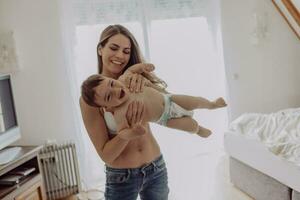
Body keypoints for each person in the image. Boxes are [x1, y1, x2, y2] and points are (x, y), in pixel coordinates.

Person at [79, 24, 170, 200]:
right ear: (100, 49)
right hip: (122, 177)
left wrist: (147, 85)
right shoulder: (91, 98)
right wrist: (125, 132)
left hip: (156, 168)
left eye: (126, 51)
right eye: (114, 48)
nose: (120, 56)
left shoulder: (135, 81)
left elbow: (170, 104)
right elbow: (106, 155)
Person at [81, 73, 227, 138]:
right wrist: (134, 132)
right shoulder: (119, 113)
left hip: (170, 99)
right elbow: (122, 132)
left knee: (195, 101)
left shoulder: (125, 81)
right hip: (165, 118)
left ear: (112, 79)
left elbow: (134, 69)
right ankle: (199, 130)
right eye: (108, 96)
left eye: (112, 83)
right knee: (190, 125)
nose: (115, 90)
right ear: (106, 107)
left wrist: (143, 66)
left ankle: (211, 104)